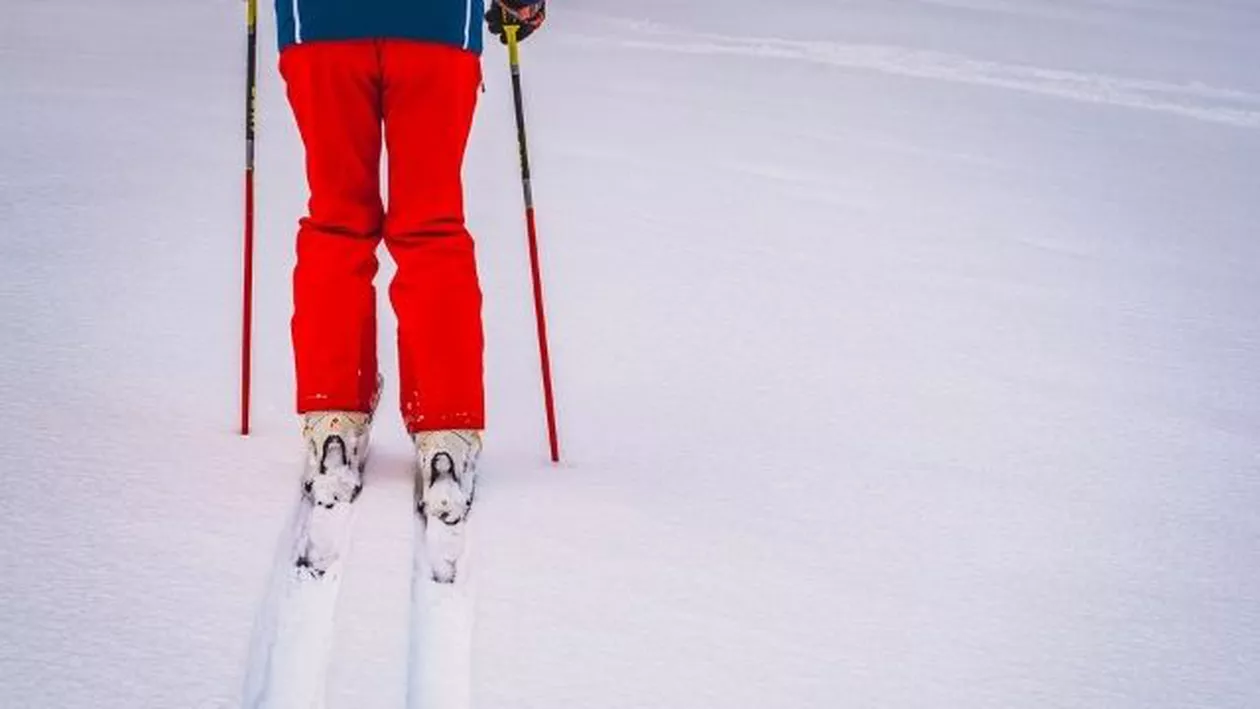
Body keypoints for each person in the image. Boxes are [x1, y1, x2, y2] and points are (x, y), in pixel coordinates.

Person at [275, 0, 546, 541]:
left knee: (337, 220)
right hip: (436, 25)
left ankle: (336, 416)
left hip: (322, 25)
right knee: (431, 225)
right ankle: (446, 428)